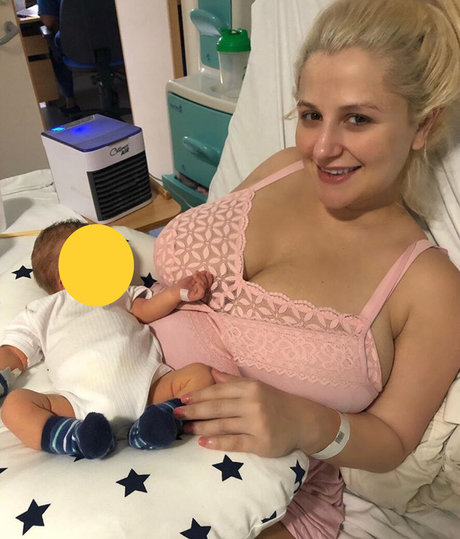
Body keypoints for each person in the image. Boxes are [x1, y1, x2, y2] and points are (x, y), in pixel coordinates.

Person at [146, 0, 460, 537]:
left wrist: (305, 422)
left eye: (358, 119)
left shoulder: (429, 286)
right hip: (99, 394)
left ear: (422, 126)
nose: (322, 147)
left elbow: (392, 440)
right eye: (311, 114)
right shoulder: (281, 168)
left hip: (236, 495)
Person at [0, 220, 214, 459]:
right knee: (14, 406)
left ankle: (158, 424)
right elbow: (15, 353)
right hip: (79, 407)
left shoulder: (120, 293)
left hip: (150, 390)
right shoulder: (43, 310)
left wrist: (177, 293)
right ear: (63, 278)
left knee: (201, 375)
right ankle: (75, 436)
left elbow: (146, 309)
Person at [37, 0, 79, 116]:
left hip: (75, 48)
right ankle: (111, 93)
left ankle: (70, 102)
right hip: (111, 42)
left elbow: (48, 21)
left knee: (55, 47)